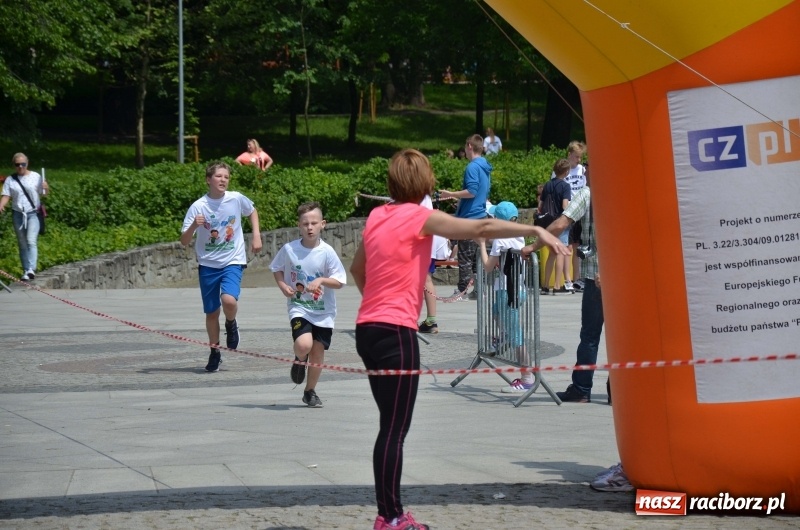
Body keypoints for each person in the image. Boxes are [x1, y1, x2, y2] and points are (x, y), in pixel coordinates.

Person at [350, 148, 569, 530]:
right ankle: (390, 517)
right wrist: (534, 229)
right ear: (425, 183)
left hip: (367, 329)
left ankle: (390, 513)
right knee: (394, 430)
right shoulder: (420, 217)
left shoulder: (375, 216)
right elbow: (481, 229)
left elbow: (357, 267)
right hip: (395, 332)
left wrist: (376, 302)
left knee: (389, 426)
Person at [180, 161, 262, 372]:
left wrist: (256, 236)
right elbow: (184, 240)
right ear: (209, 180)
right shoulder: (199, 206)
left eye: (226, 176)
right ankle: (215, 352)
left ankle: (231, 324)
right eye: (219, 176)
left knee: (229, 300)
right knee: (211, 313)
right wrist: (194, 226)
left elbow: (252, 211)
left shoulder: (235, 198)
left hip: (233, 260)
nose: (223, 180)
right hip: (207, 264)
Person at [523, 180, 599, 403]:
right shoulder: (625, 189)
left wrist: (533, 246)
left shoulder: (588, 192)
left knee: (590, 335)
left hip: (597, 274)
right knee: (623, 337)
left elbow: (561, 223)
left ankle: (581, 388)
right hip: (625, 276)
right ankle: (618, 389)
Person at [269, 201, 347, 407]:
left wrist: (321, 280)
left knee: (318, 352)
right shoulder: (289, 249)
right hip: (299, 307)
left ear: (323, 224)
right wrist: (282, 285)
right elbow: (276, 268)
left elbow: (340, 281)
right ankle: (299, 358)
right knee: (304, 345)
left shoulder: (327, 252)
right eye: (305, 223)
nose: (310, 227)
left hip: (324, 311)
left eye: (314, 223)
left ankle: (310, 391)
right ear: (299, 225)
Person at [476, 201, 533, 393]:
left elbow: (487, 266)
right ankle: (504, 338)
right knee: (496, 313)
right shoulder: (518, 235)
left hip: (508, 292)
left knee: (517, 336)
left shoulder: (500, 241)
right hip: (518, 290)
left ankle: (527, 378)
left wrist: (483, 244)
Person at [438, 134, 491, 301]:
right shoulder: (485, 166)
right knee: (475, 257)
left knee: (465, 257)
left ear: (469, 146)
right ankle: (479, 290)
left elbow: (472, 191)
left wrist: (450, 193)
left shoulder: (472, 167)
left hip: (470, 218)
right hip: (479, 215)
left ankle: (462, 291)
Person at [0, 153, 49, 281]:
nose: (20, 167)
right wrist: (1, 205)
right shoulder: (11, 180)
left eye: (23, 164)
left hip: (33, 213)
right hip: (18, 213)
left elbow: (43, 194)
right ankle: (26, 269)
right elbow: (6, 195)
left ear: (27, 164)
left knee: (31, 240)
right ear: (14, 165)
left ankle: (31, 269)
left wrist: (46, 188)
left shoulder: (36, 176)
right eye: (18, 164)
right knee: (22, 243)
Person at [553, 141, 588, 291]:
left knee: (578, 246)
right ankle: (567, 278)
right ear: (569, 155)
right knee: (567, 246)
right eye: (576, 157)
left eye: (580, 157)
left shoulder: (583, 170)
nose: (578, 160)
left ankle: (577, 278)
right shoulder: (561, 171)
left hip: (581, 210)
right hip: (567, 211)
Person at [418, 195, 450, 334]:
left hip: (418, 242)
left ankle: (415, 320)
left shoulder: (415, 192)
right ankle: (431, 320)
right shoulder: (423, 194)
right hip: (426, 241)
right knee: (426, 279)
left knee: (420, 280)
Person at [540, 158, 572, 294]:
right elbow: (565, 206)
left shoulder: (547, 185)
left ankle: (546, 285)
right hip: (560, 221)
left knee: (552, 253)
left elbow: (540, 205)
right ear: (566, 172)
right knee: (560, 253)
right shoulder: (565, 186)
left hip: (548, 223)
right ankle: (558, 285)